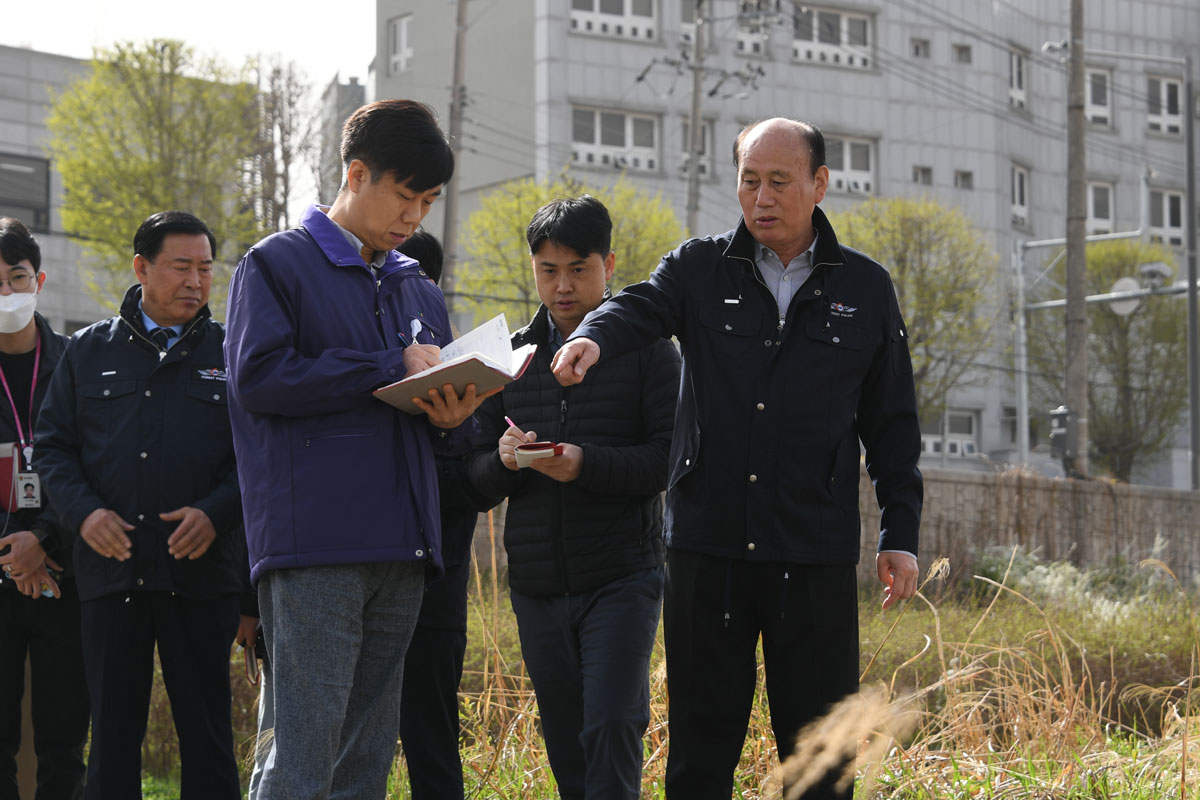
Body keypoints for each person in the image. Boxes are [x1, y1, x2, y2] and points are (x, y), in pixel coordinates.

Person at [552, 119, 923, 800]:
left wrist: (901, 533)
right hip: (708, 547)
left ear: (819, 185)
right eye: (749, 180)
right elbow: (637, 304)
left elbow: (892, 425)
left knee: (821, 758)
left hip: (811, 552)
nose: (761, 197)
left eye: (779, 181)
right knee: (699, 749)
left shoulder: (866, 290)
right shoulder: (699, 267)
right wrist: (593, 337)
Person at [224, 99, 493, 800]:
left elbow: (438, 425)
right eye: (406, 195)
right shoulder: (275, 265)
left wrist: (456, 416)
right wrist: (386, 365)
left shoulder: (417, 288)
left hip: (402, 547)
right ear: (356, 173)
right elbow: (258, 379)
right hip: (315, 544)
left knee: (365, 763)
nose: (415, 217)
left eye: (428, 201)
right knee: (302, 756)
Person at [468, 196, 680, 799]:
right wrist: (506, 462)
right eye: (548, 269)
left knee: (612, 721)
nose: (562, 286)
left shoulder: (647, 351)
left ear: (609, 264)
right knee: (564, 734)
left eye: (578, 269)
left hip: (622, 576)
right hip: (536, 584)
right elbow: (474, 476)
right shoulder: (507, 359)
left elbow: (666, 460)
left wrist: (584, 464)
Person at [34, 211, 246, 799]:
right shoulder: (85, 352)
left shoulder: (234, 351)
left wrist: (217, 511)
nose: (196, 282)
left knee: (208, 739)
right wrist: (84, 513)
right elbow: (53, 448)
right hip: (110, 573)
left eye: (205, 269)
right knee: (112, 741)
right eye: (181, 267)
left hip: (201, 574)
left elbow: (259, 455)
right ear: (142, 267)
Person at [394, 229, 500, 800]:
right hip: (353, 574)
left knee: (431, 738)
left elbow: (473, 483)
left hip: (436, 579)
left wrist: (450, 425)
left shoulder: (464, 371)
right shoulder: (359, 357)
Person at [0, 217, 88, 800]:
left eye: (16, 277)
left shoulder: (76, 365)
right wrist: (12, 553)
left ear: (40, 279)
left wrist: (46, 542)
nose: (7, 294)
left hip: (66, 575)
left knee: (63, 742)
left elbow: (96, 466)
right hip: (1, 570)